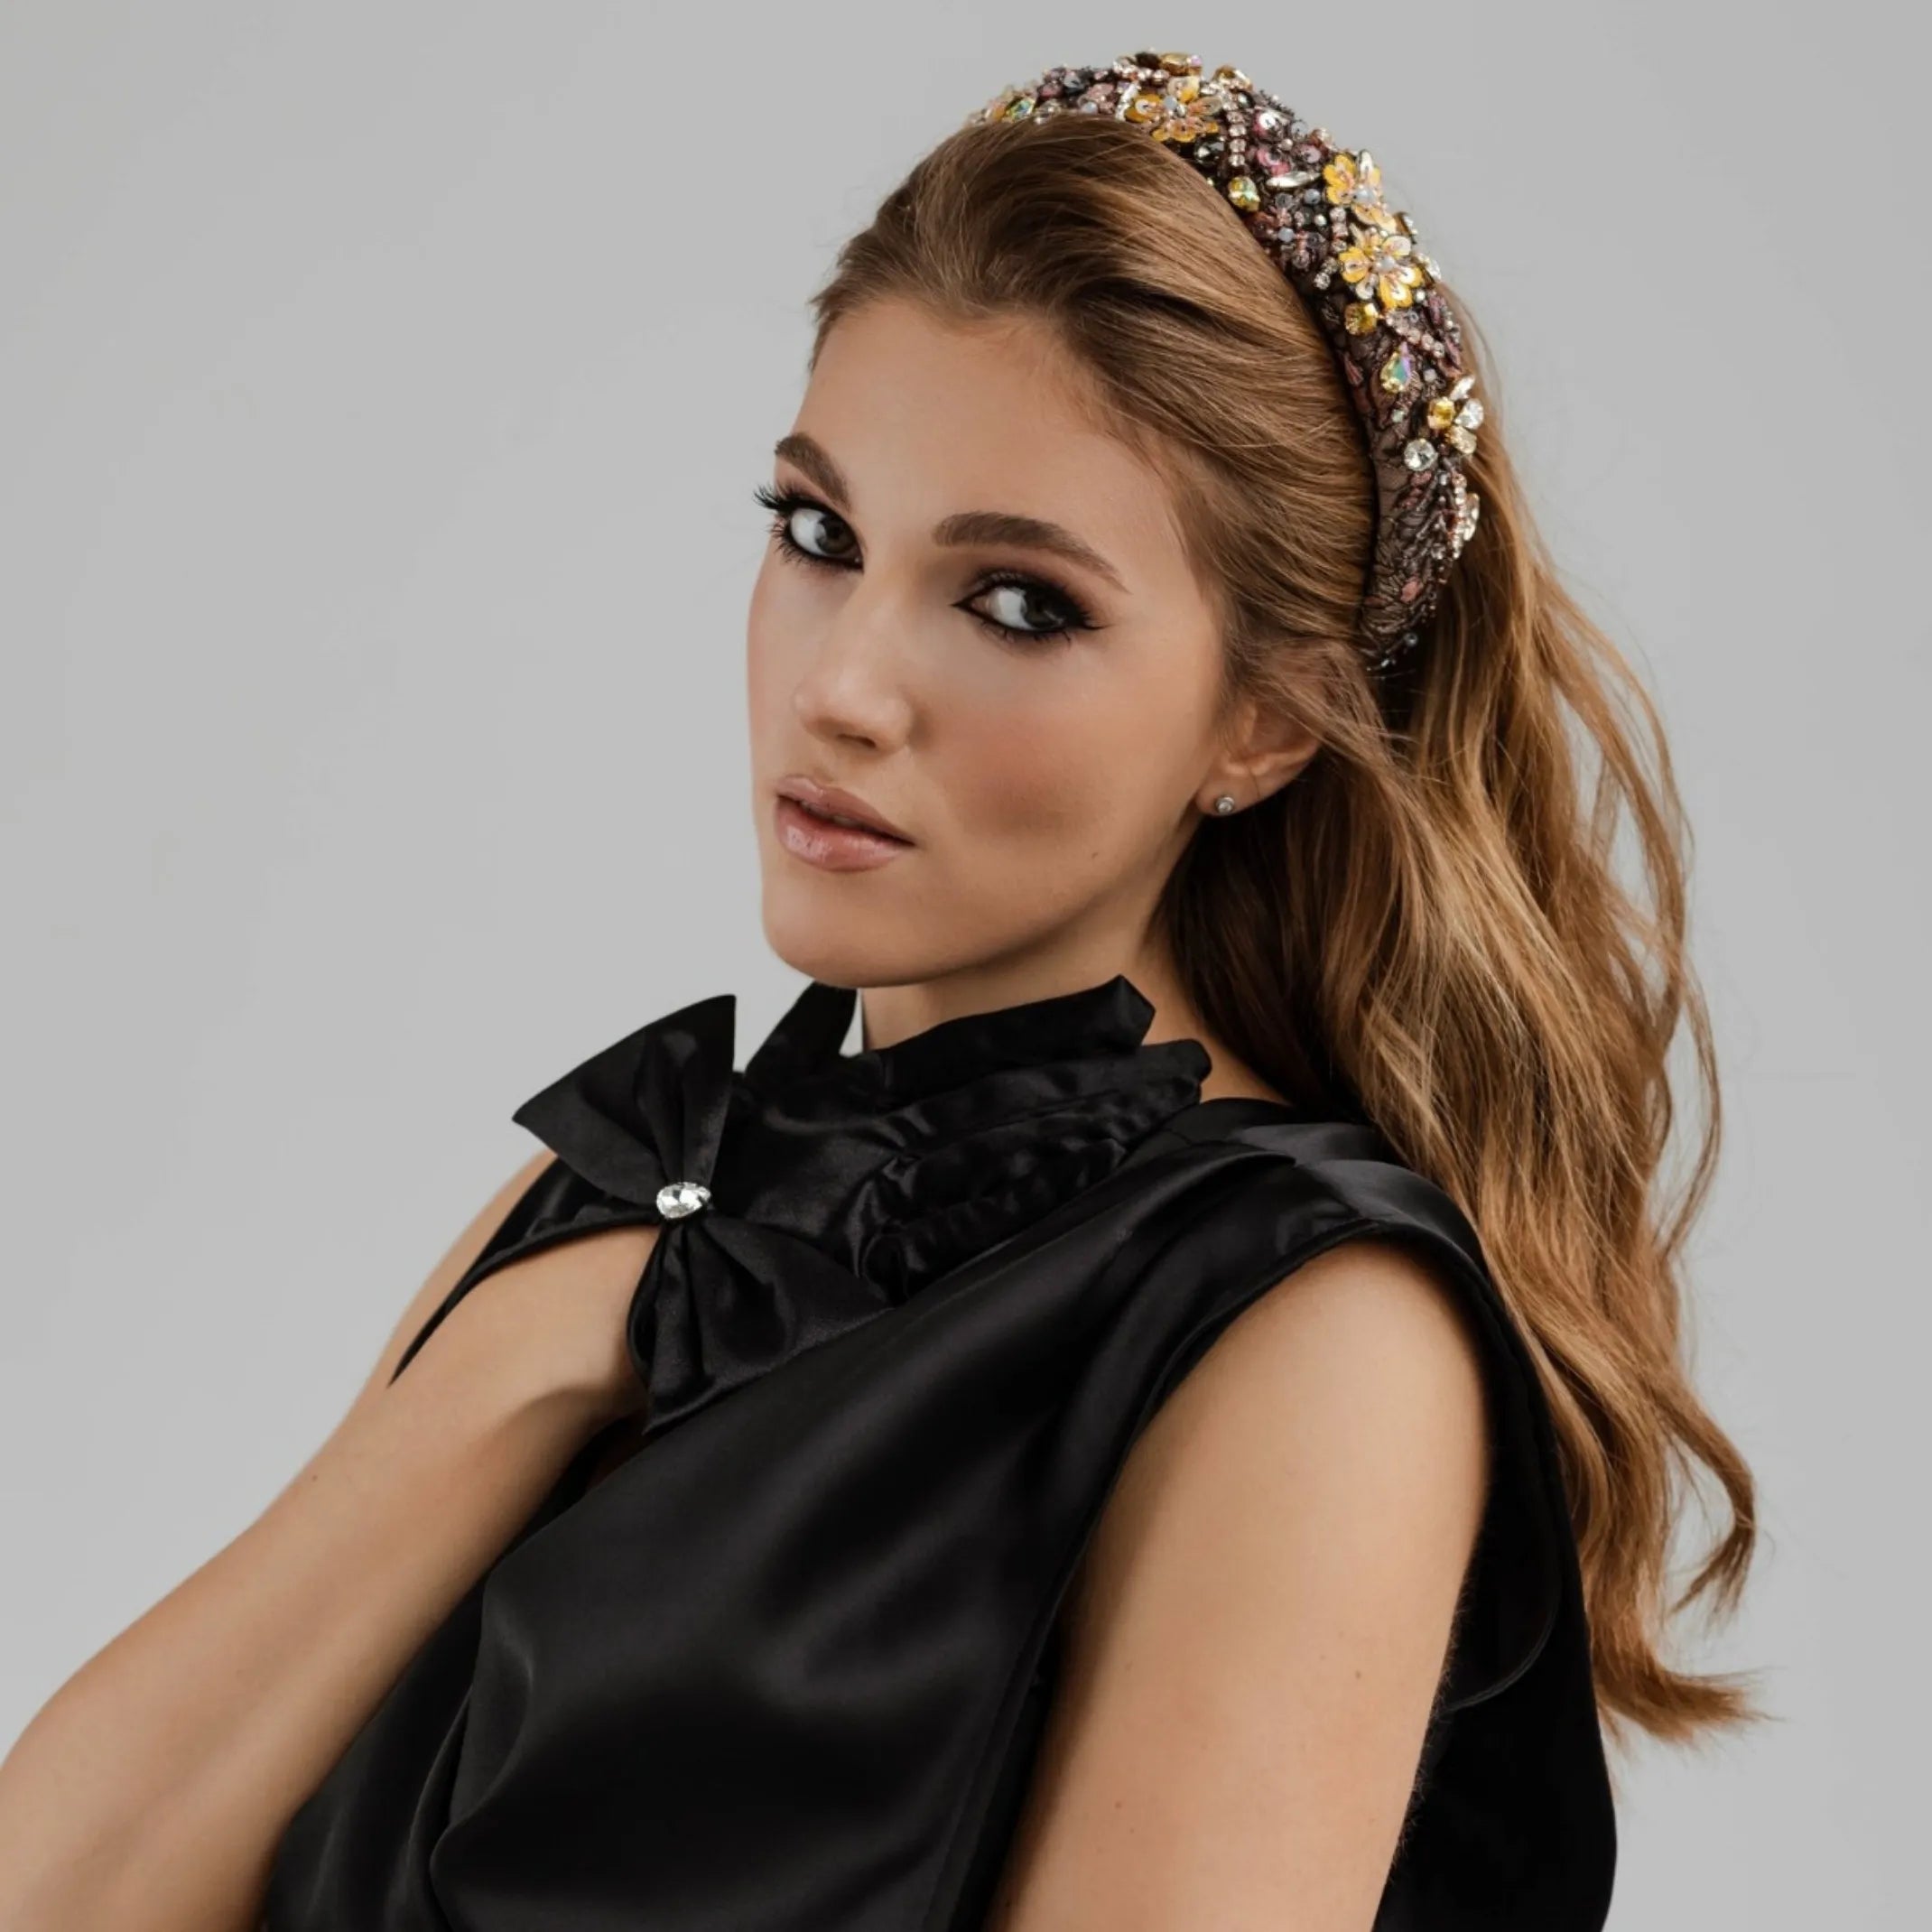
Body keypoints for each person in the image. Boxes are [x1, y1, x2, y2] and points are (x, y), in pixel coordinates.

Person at [0, 51, 1762, 1931]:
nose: (840, 686)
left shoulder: (1307, 1330)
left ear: (1259, 722)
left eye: (1017, 603)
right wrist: (506, 1372)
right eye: (817, 534)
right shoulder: (624, 1193)